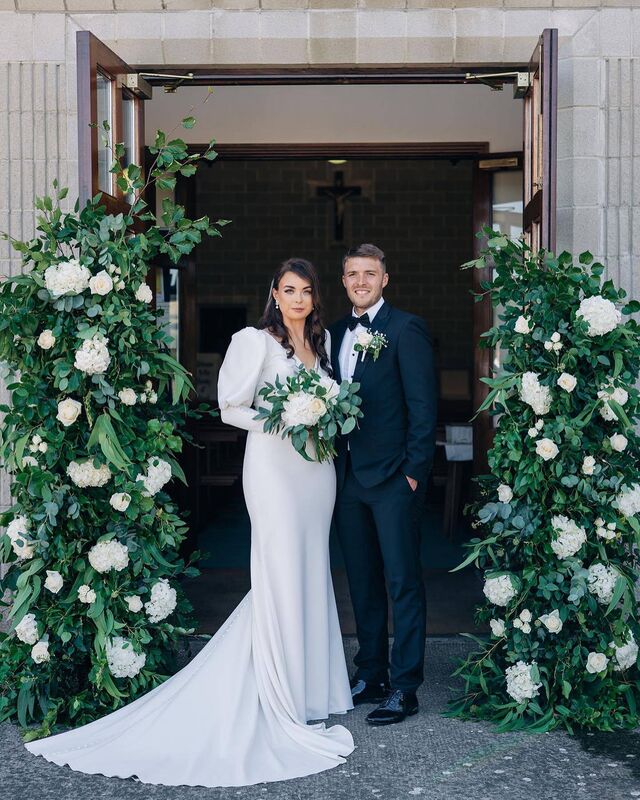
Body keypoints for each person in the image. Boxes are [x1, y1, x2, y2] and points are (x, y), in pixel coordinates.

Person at [25, 258, 354, 787]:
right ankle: (282, 690)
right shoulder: (254, 340)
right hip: (274, 471)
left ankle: (314, 689)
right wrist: (286, 417)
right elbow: (230, 407)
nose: (298, 299)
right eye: (289, 290)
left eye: (307, 291)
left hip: (317, 473)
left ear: (316, 298)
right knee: (280, 570)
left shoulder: (324, 344)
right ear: (274, 292)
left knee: (312, 569)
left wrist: (320, 417)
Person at [330, 243, 437, 726]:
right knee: (362, 582)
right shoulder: (332, 333)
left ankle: (404, 686)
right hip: (347, 478)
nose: (360, 282)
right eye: (352, 274)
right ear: (344, 280)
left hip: (394, 478)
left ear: (384, 279)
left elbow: (423, 407)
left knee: (402, 583)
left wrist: (413, 473)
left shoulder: (405, 328)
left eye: (369, 274)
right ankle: (369, 673)